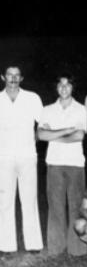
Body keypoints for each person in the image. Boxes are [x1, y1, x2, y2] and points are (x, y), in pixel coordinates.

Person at [37, 74, 87, 257]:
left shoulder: (81, 109)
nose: (64, 88)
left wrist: (54, 133)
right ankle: (56, 247)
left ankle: (77, 248)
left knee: (76, 206)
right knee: (56, 206)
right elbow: (41, 135)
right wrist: (67, 130)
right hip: (54, 163)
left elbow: (79, 136)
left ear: (72, 88)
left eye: (67, 85)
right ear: (56, 88)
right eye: (60, 85)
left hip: (75, 163)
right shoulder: (47, 109)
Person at [0, 65, 44, 254]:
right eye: (10, 75)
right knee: (5, 201)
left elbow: (42, 125)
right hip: (4, 157)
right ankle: (6, 245)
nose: (13, 79)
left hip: (27, 157)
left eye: (17, 76)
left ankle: (33, 243)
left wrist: (29, 142)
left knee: (29, 199)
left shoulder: (32, 98)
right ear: (3, 77)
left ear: (21, 78)